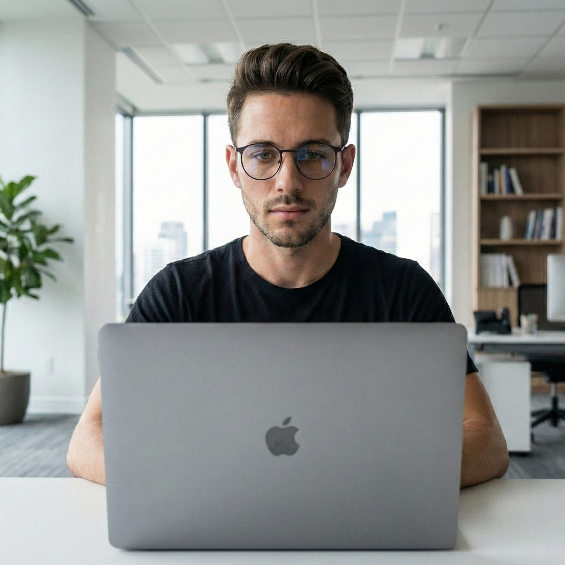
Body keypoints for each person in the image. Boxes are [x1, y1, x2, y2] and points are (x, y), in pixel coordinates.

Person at [67, 43, 509, 488]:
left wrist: (365, 483)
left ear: (344, 165)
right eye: (263, 154)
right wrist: (198, 483)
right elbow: (89, 438)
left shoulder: (403, 290)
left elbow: (486, 438)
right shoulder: (179, 293)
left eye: (313, 154)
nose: (288, 182)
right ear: (234, 166)